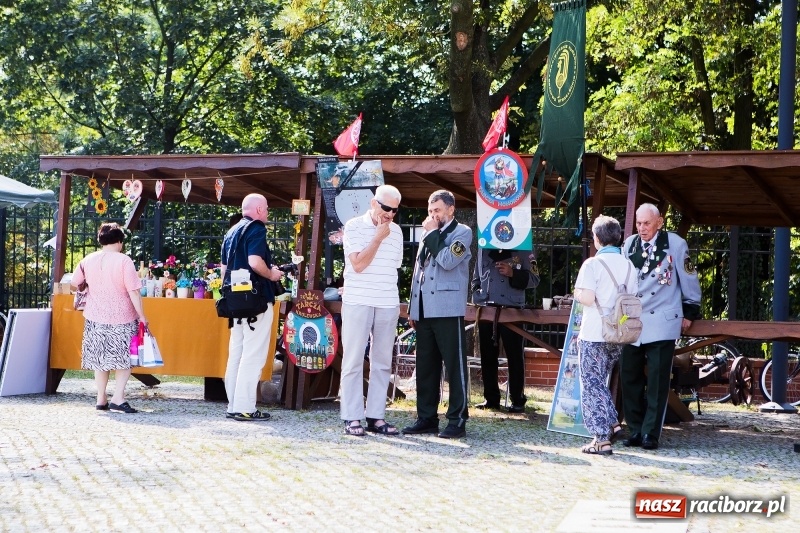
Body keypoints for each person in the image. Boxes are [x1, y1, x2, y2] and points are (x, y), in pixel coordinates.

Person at [620, 203, 701, 450]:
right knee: (629, 376)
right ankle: (634, 429)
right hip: (634, 320)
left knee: (657, 380)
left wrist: (690, 309)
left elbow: (688, 277)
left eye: (646, 223)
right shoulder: (629, 244)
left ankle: (650, 434)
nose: (642, 228)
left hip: (662, 319)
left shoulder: (675, 243)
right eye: (639, 223)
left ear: (659, 222)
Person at [403, 190, 472, 439]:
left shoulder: (462, 232)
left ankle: (457, 420)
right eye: (431, 211)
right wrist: (413, 306)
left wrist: (432, 233)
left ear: (451, 210)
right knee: (426, 367)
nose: (433, 215)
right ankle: (426, 418)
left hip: (447, 308)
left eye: (438, 210)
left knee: (455, 367)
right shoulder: (428, 233)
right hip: (424, 309)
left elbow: (446, 260)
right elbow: (418, 270)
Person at [339, 185, 404, 436]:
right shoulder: (354, 226)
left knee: (382, 363)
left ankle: (376, 416)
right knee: (354, 359)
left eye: (394, 211)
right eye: (385, 208)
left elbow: (393, 268)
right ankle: (352, 416)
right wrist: (377, 237)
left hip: (387, 301)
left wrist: (386, 233)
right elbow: (358, 265)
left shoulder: (396, 233)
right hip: (358, 300)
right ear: (373, 202)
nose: (389, 214)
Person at [573, 215, 637, 455]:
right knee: (601, 382)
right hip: (618, 332)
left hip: (594, 332)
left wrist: (577, 293)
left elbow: (588, 298)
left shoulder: (592, 264)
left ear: (597, 239)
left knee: (591, 383)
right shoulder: (629, 265)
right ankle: (613, 423)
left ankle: (601, 439)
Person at [220, 193, 284, 421]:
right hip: (256, 300)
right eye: (266, 209)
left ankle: (233, 405)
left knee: (236, 352)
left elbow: (224, 270)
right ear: (258, 210)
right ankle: (245, 407)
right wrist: (272, 274)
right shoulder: (256, 228)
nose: (267, 213)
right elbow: (255, 262)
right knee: (253, 355)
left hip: (235, 301)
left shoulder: (232, 231)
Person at [71, 222, 147, 414]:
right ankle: (119, 398)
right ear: (119, 241)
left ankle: (101, 397)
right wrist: (143, 316)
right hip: (122, 318)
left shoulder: (88, 260)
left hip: (95, 317)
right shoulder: (124, 261)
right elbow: (134, 292)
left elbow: (75, 283)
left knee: (100, 359)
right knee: (124, 359)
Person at [471, 248, 539, 413]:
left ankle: (517, 400)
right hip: (487, 308)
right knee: (487, 355)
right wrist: (477, 294)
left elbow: (535, 279)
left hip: (512, 309)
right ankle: (491, 399)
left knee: (514, 356)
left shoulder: (524, 249)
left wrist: (513, 274)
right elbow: (476, 278)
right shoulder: (483, 249)